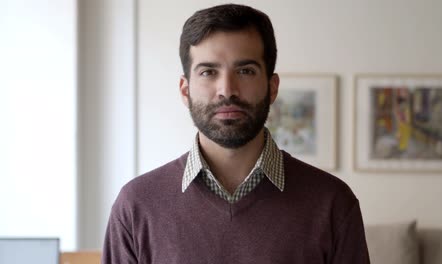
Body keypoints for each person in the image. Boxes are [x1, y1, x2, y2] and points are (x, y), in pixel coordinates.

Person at [102, 4, 370, 264]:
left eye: (245, 71)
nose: (227, 89)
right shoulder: (136, 206)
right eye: (208, 72)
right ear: (185, 90)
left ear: (272, 87)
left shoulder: (332, 203)